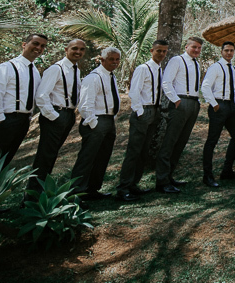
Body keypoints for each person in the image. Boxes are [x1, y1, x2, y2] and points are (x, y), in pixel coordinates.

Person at [0, 33, 48, 171]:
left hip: (22, 121)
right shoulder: (6, 67)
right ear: (24, 44)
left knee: (4, 161)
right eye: (35, 43)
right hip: (4, 119)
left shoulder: (34, 71)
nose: (39, 48)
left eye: (42, 46)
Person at [116, 39, 169, 201]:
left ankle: (134, 184)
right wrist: (140, 112)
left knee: (144, 151)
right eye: (158, 50)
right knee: (134, 151)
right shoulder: (143, 68)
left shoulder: (160, 70)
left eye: (164, 51)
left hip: (155, 111)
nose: (161, 54)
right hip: (143, 111)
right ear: (151, 51)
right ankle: (123, 188)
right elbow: (134, 92)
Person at [30, 38, 86, 190]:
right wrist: (55, 117)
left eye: (81, 49)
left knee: (52, 154)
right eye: (74, 48)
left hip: (68, 115)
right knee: (45, 156)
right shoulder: (56, 69)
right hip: (55, 115)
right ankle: (32, 195)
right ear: (66, 50)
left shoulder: (76, 70)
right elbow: (41, 96)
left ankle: (41, 191)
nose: (78, 52)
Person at [72, 47, 122, 200]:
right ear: (102, 60)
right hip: (96, 122)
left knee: (102, 157)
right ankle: (76, 193)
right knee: (87, 158)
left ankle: (92, 189)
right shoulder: (93, 77)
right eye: (111, 59)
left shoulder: (111, 76)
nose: (114, 62)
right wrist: (94, 124)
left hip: (108, 121)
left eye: (117, 60)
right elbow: (86, 105)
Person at [158, 36, 205, 193]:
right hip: (180, 102)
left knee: (181, 141)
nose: (196, 50)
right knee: (170, 141)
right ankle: (162, 180)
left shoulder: (197, 64)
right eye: (194, 47)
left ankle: (170, 176)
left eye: (199, 48)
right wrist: (176, 100)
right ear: (186, 47)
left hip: (193, 103)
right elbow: (166, 82)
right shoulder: (177, 60)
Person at [200, 40, 235, 186]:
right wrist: (215, 105)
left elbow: (232, 87)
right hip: (219, 105)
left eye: (232, 50)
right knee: (212, 140)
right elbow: (205, 87)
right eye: (226, 50)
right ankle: (208, 176)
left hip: (232, 106)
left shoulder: (234, 69)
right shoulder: (215, 67)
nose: (229, 53)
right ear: (221, 51)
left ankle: (227, 171)